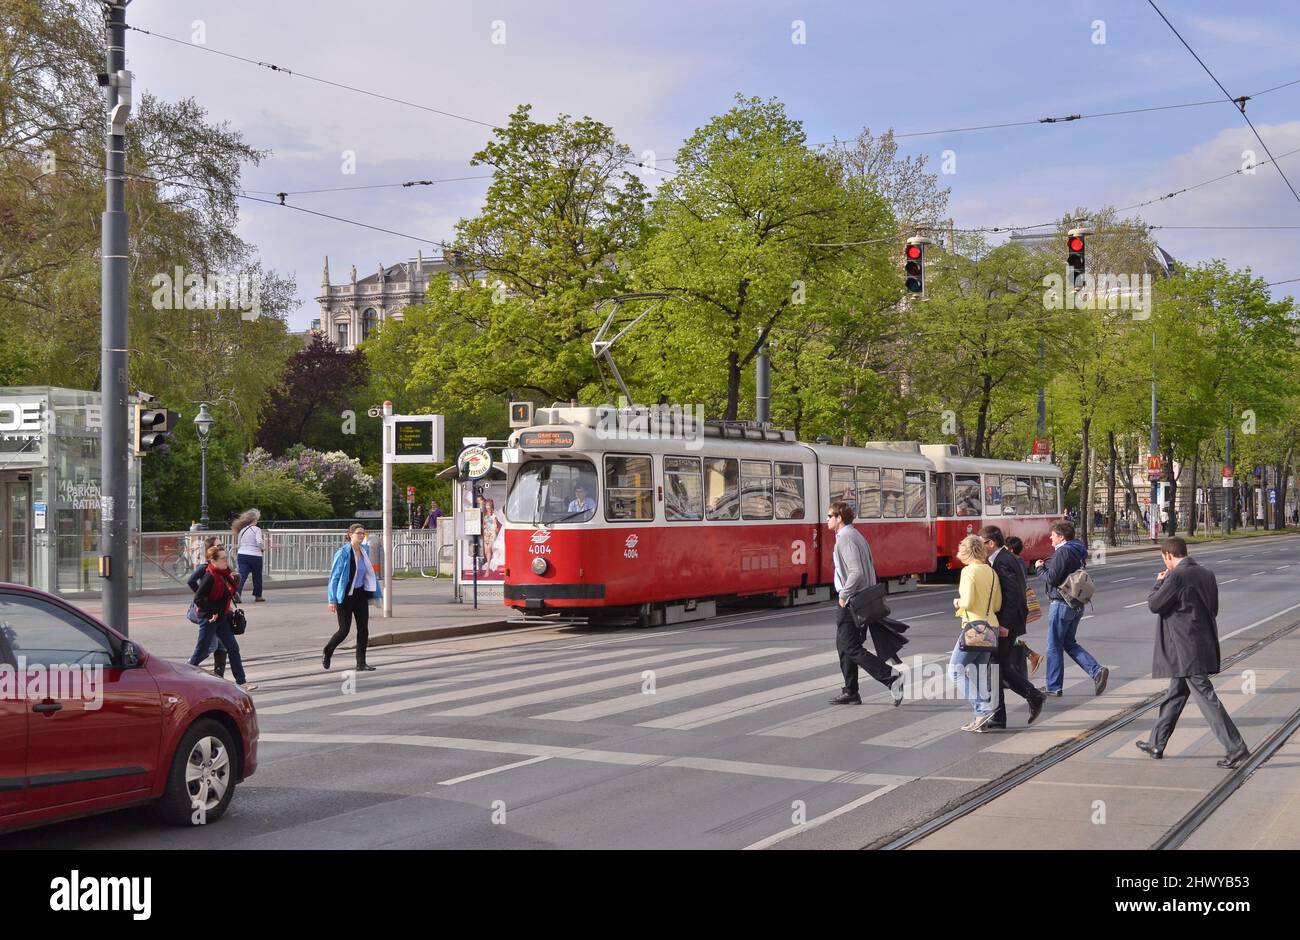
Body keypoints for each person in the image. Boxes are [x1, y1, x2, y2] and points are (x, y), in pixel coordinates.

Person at [1137, 537, 1249, 768]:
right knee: (1175, 695)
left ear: (1168, 555)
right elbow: (1213, 609)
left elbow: (1155, 605)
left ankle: (1235, 747)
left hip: (1185, 648)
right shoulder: (1207, 574)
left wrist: (1159, 583)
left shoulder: (1176, 575)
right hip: (1199, 644)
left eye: (1163, 559)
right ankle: (1157, 743)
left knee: (1207, 699)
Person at [826, 501, 904, 706]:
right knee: (844, 646)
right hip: (859, 600)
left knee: (850, 647)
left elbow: (857, 572)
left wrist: (844, 594)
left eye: (829, 516)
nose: (827, 520)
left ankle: (891, 677)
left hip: (852, 601)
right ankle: (851, 691)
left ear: (839, 518)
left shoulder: (845, 538)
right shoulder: (855, 534)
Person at [980, 526, 1046, 728]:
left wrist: (1005, 625)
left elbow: (1013, 595)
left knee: (995, 666)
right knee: (998, 666)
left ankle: (1032, 695)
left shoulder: (1003, 562)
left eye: (981, 543)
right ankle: (1002, 714)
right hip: (1007, 622)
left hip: (1007, 623)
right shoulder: (1002, 559)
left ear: (991, 543)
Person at [1035, 521, 1108, 697]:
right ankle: (1096, 671)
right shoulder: (1077, 549)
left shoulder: (1063, 552)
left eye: (1053, 535)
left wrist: (1039, 568)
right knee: (1068, 642)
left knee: (1053, 645)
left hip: (1061, 603)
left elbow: (1052, 578)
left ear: (1061, 536)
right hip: (1076, 603)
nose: (1050, 537)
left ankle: (1053, 687)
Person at [949, 535, 1000, 732]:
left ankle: (982, 708)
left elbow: (968, 602)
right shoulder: (991, 572)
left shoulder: (969, 571)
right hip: (991, 627)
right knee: (978, 673)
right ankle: (981, 720)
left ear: (966, 551)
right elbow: (996, 605)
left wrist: (957, 602)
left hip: (975, 627)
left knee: (955, 670)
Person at [189, 545, 255, 691]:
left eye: (226, 557)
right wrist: (213, 611)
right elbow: (198, 599)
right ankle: (184, 675)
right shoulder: (210, 576)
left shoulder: (224, 574)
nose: (226, 560)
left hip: (222, 616)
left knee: (233, 647)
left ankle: (241, 682)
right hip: (209, 618)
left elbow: (228, 593)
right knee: (202, 651)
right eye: (223, 558)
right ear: (213, 560)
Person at [324, 524, 382, 671]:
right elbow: (334, 578)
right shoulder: (343, 553)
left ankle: (361, 663)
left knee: (363, 629)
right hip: (345, 596)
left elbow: (368, 574)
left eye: (363, 533)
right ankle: (328, 650)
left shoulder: (365, 551)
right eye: (358, 533)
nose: (362, 536)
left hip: (360, 594)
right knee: (344, 631)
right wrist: (332, 600)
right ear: (350, 535)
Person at [187, 535, 229, 678]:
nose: (221, 548)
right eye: (218, 546)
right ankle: (188, 669)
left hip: (217, 610)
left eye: (222, 546)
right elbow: (191, 581)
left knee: (222, 644)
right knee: (210, 646)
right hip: (205, 610)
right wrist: (203, 595)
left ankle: (219, 676)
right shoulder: (205, 567)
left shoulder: (222, 566)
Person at [1004, 536, 1045, 677]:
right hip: (1020, 603)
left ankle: (1030, 656)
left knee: (1008, 635)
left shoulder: (1012, 562)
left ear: (1009, 549)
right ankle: (1029, 657)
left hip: (1015, 604)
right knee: (1011, 635)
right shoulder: (1020, 561)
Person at [232, 508, 266, 602]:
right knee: (257, 576)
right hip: (255, 555)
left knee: (242, 575)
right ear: (254, 520)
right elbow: (259, 542)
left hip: (242, 554)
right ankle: (258, 596)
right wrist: (263, 548)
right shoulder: (257, 529)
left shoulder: (242, 530)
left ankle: (237, 592)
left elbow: (239, 544)